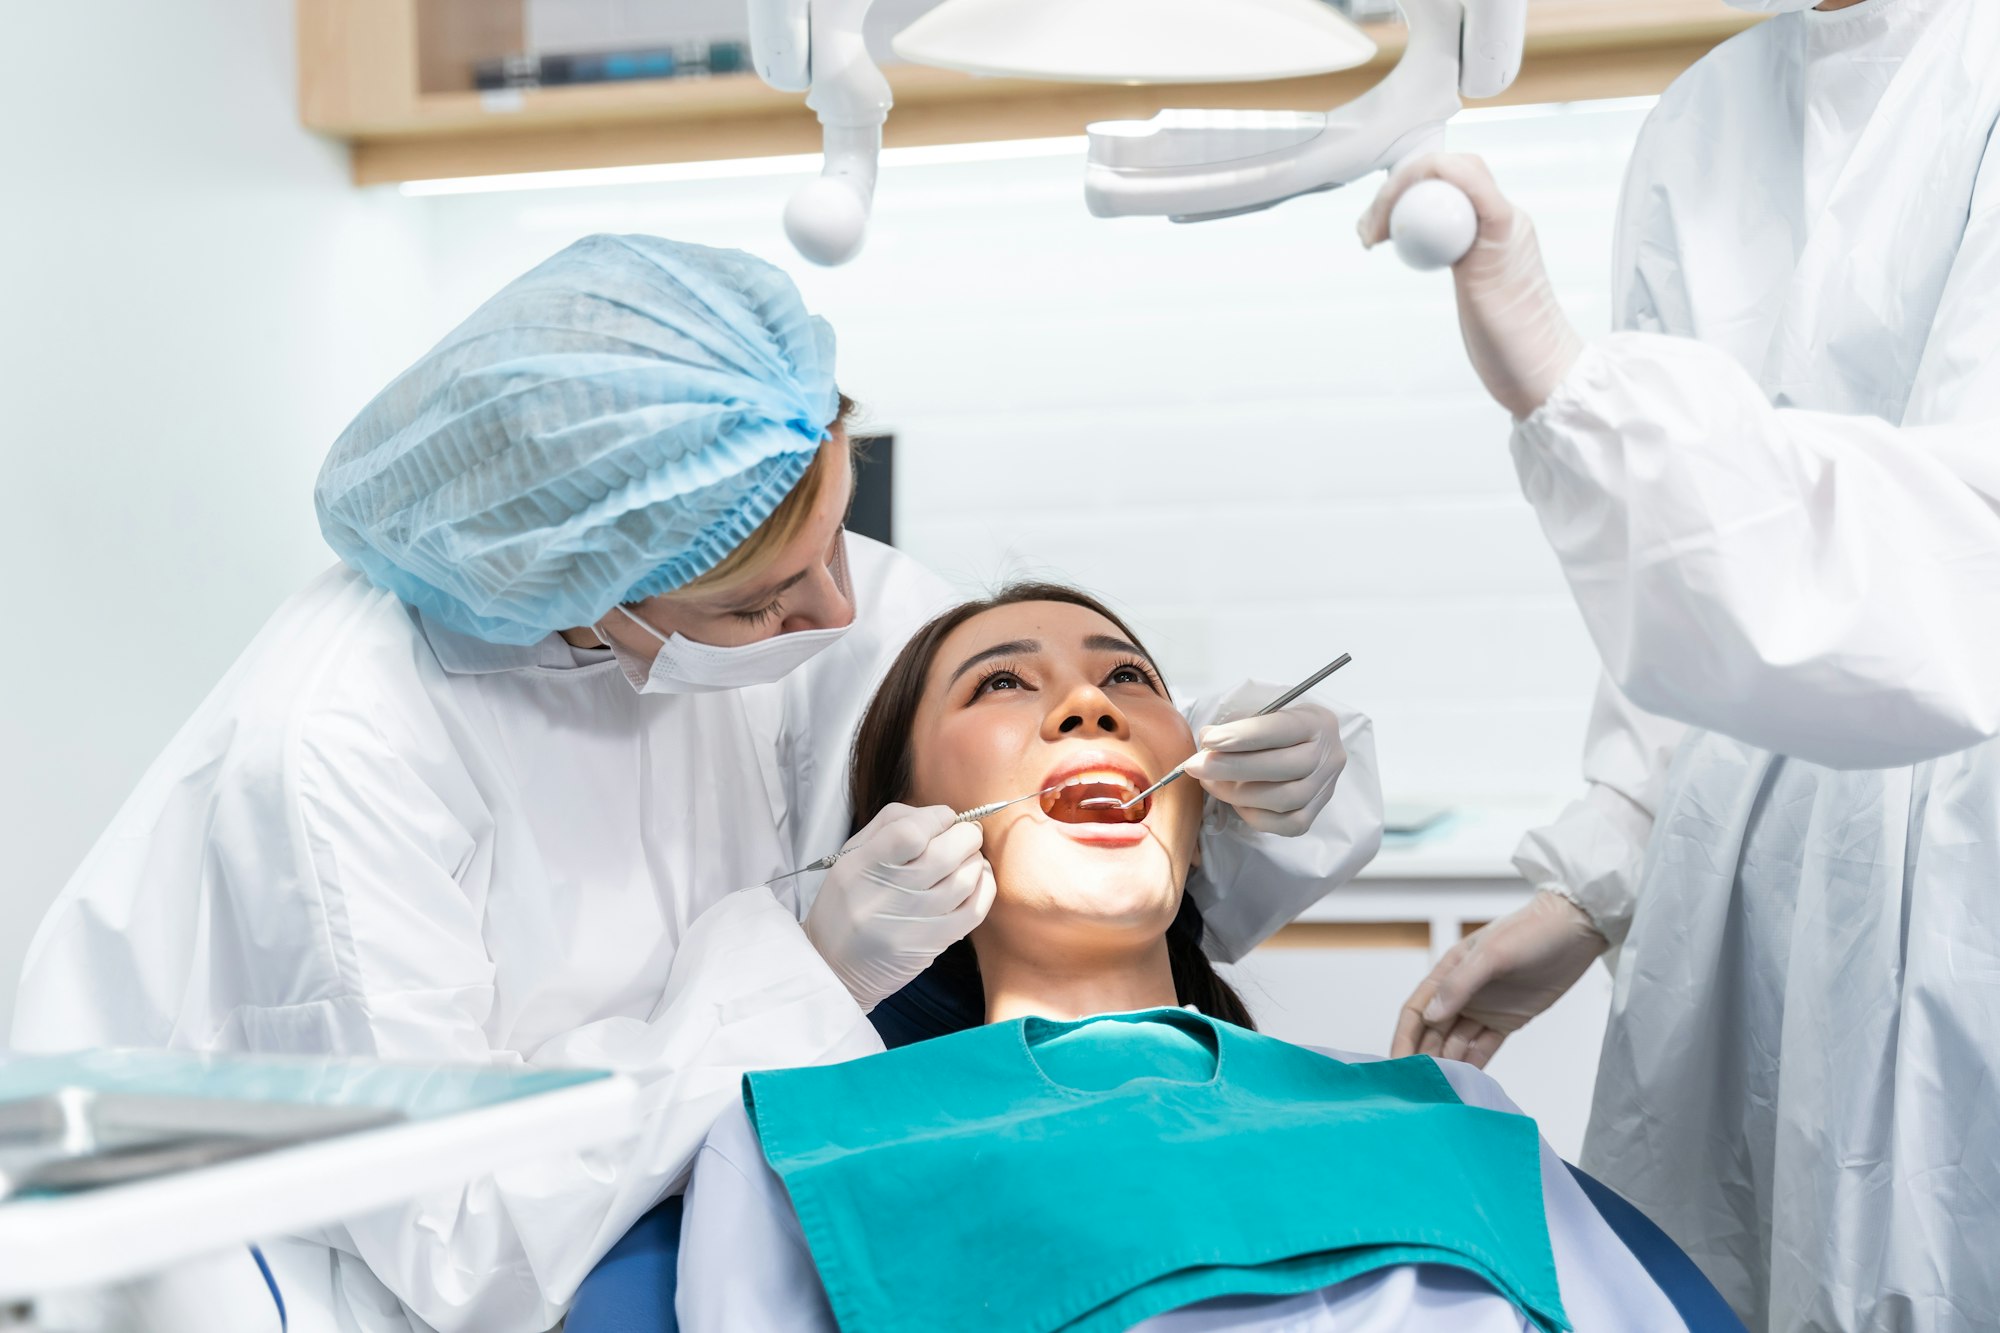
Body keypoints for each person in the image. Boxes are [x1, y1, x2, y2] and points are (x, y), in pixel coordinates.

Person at [9, 236, 1383, 1333]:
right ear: (588, 588)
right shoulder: (339, 757)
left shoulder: (740, 532)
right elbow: (458, 1235)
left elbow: (1017, 718)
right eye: (767, 603)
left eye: (842, 533)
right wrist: (805, 973)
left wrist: (1265, 785)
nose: (840, 609)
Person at [1360, 1, 2000, 1327]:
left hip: (1962, 902)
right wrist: (1603, 871)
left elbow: (1955, 580)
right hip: (1739, 915)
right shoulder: (1705, 118)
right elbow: (1695, 599)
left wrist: (1563, 377)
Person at [675, 583, 1736, 1333]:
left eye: (1127, 676)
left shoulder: (1451, 1111)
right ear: (902, 826)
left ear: (1202, 813)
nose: (1090, 705)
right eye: (999, 683)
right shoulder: (798, 1151)